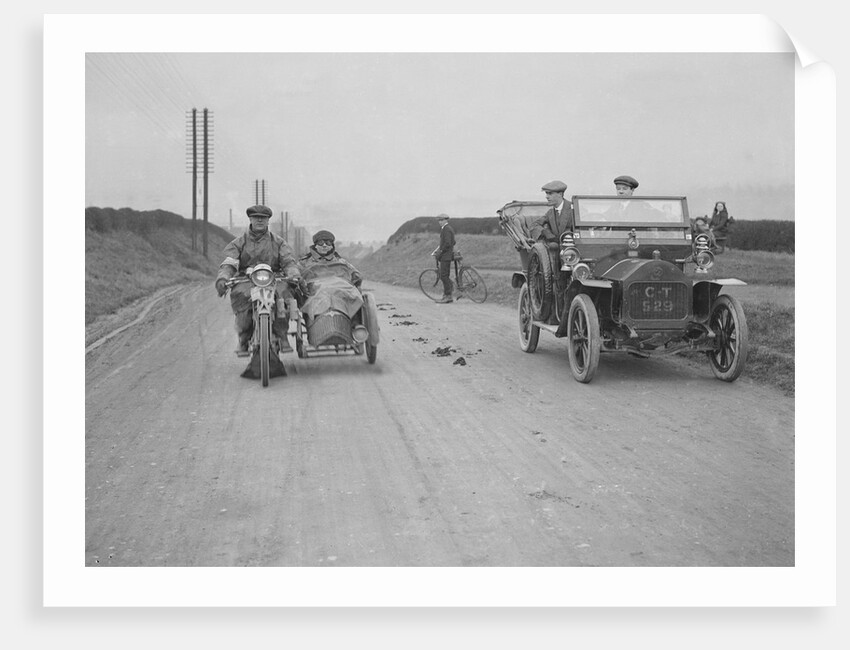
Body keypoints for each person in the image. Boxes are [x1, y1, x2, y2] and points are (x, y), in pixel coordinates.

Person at [215, 204, 301, 354]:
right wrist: (223, 278)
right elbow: (229, 263)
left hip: (274, 278)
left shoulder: (278, 242)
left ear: (268, 221)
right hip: (247, 280)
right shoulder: (239, 243)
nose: (260, 221)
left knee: (284, 296)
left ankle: (282, 336)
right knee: (242, 300)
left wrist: (293, 274)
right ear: (250, 219)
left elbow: (288, 261)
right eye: (256, 218)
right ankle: (243, 338)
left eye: (263, 218)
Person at [431, 213, 456, 303]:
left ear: (446, 220)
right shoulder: (447, 229)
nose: (440, 222)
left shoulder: (446, 229)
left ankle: (448, 296)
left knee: (444, 276)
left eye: (441, 220)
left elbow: (448, 243)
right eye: (439, 220)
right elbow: (454, 242)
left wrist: (441, 251)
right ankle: (448, 292)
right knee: (444, 275)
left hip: (445, 256)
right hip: (446, 255)